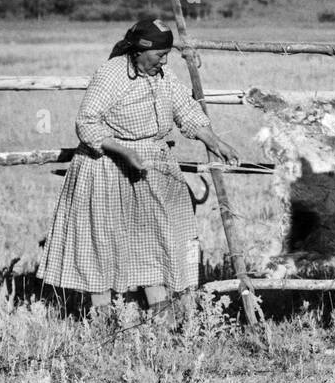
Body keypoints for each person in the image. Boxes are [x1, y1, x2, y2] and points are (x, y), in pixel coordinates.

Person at [39, 17, 241, 319]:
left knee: (156, 240)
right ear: (138, 51)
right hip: (105, 168)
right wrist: (124, 151)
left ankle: (161, 322)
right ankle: (103, 322)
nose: (163, 61)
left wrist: (215, 141)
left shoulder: (163, 76)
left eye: (166, 55)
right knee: (101, 245)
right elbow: (87, 123)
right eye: (159, 55)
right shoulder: (111, 74)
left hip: (151, 165)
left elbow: (185, 108)